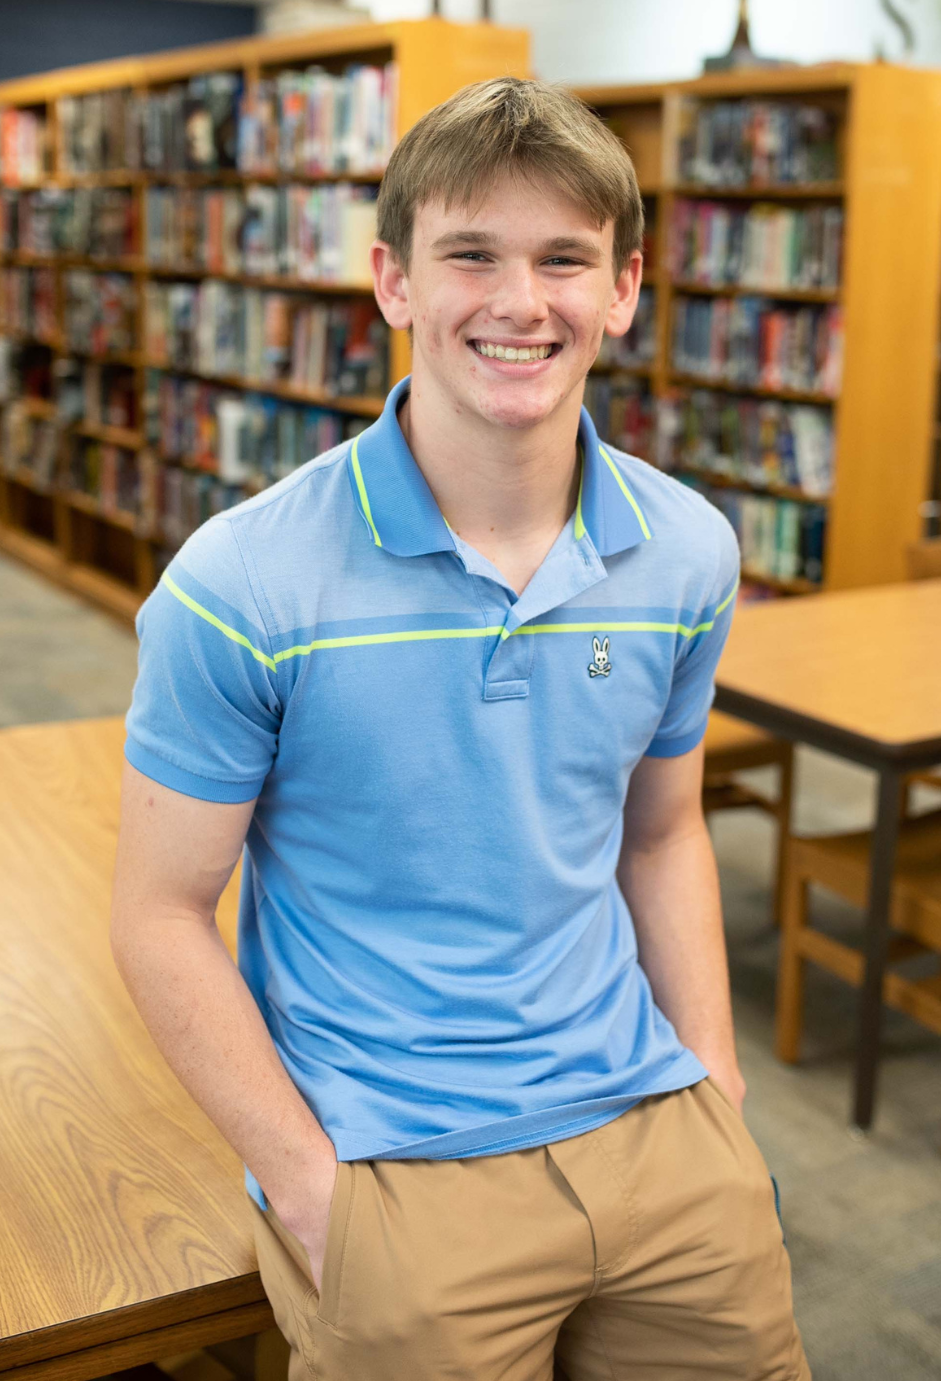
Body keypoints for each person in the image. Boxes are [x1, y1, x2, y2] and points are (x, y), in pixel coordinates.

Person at [111, 77, 810, 1381]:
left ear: (624, 289)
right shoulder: (240, 584)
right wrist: (309, 1188)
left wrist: (715, 1082)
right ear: (393, 283)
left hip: (654, 1125)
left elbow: (659, 837)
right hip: (393, 1162)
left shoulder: (689, 552)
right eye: (470, 255)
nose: (519, 301)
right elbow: (159, 914)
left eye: (564, 259)